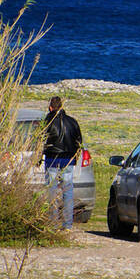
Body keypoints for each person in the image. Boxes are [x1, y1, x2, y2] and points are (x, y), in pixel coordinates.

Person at [43, 96, 83, 230]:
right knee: (68, 191)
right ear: (61, 107)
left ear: (50, 108)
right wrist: (75, 158)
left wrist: (39, 156)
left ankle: (52, 222)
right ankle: (67, 224)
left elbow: (40, 140)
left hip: (52, 159)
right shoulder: (72, 122)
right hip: (68, 159)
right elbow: (79, 141)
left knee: (52, 191)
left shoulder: (48, 121)